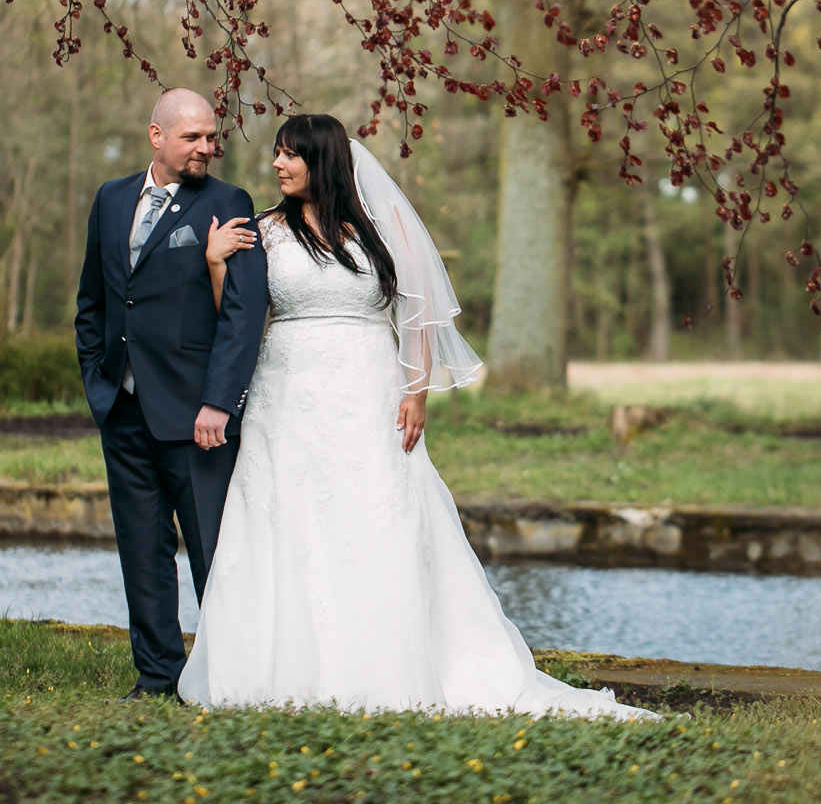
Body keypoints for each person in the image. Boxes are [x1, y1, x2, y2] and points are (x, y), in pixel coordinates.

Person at [179, 113, 654, 719]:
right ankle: (279, 665)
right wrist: (218, 265)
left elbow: (418, 307)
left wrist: (416, 390)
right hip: (287, 391)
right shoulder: (264, 231)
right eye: (275, 154)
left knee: (376, 512)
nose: (277, 164)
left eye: (289, 154)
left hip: (369, 387)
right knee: (286, 516)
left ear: (320, 159)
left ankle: (391, 664)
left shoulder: (379, 226)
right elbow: (240, 320)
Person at [74, 88, 269, 699]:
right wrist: (97, 382)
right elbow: (94, 302)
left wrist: (220, 400)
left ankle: (230, 676)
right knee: (141, 548)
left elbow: (242, 311)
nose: (207, 148)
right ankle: (157, 673)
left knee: (213, 551)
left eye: (212, 137)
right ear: (157, 136)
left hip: (196, 414)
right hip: (123, 406)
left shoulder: (229, 202)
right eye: (193, 138)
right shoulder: (109, 200)